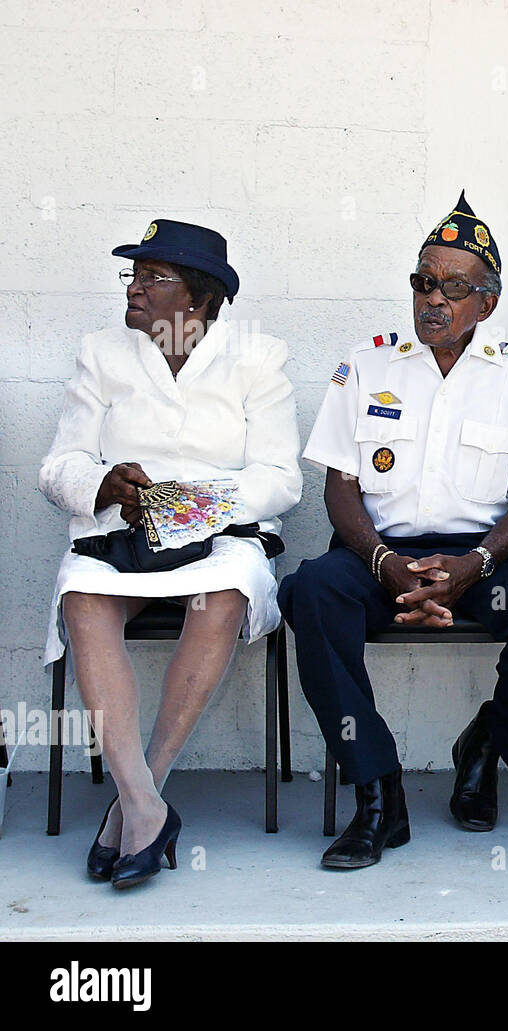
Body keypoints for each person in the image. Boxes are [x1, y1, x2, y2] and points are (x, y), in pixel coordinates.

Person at [278, 192, 508, 870]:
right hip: (375, 555)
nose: (433, 299)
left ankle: (487, 745)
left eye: (453, 286)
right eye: (423, 282)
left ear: (488, 303)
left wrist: (474, 564)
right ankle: (378, 791)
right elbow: (339, 484)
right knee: (311, 593)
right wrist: (383, 559)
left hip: (485, 560)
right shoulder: (366, 365)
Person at [38, 219, 302, 889]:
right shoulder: (102, 354)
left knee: (225, 593)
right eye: (133, 274)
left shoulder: (258, 358)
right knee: (82, 595)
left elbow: (281, 479)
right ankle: (148, 809)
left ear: (201, 299)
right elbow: (58, 465)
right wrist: (101, 483)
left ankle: (134, 802)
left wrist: (185, 504)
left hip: (219, 540)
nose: (135, 289)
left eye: (154, 278)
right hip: (119, 535)